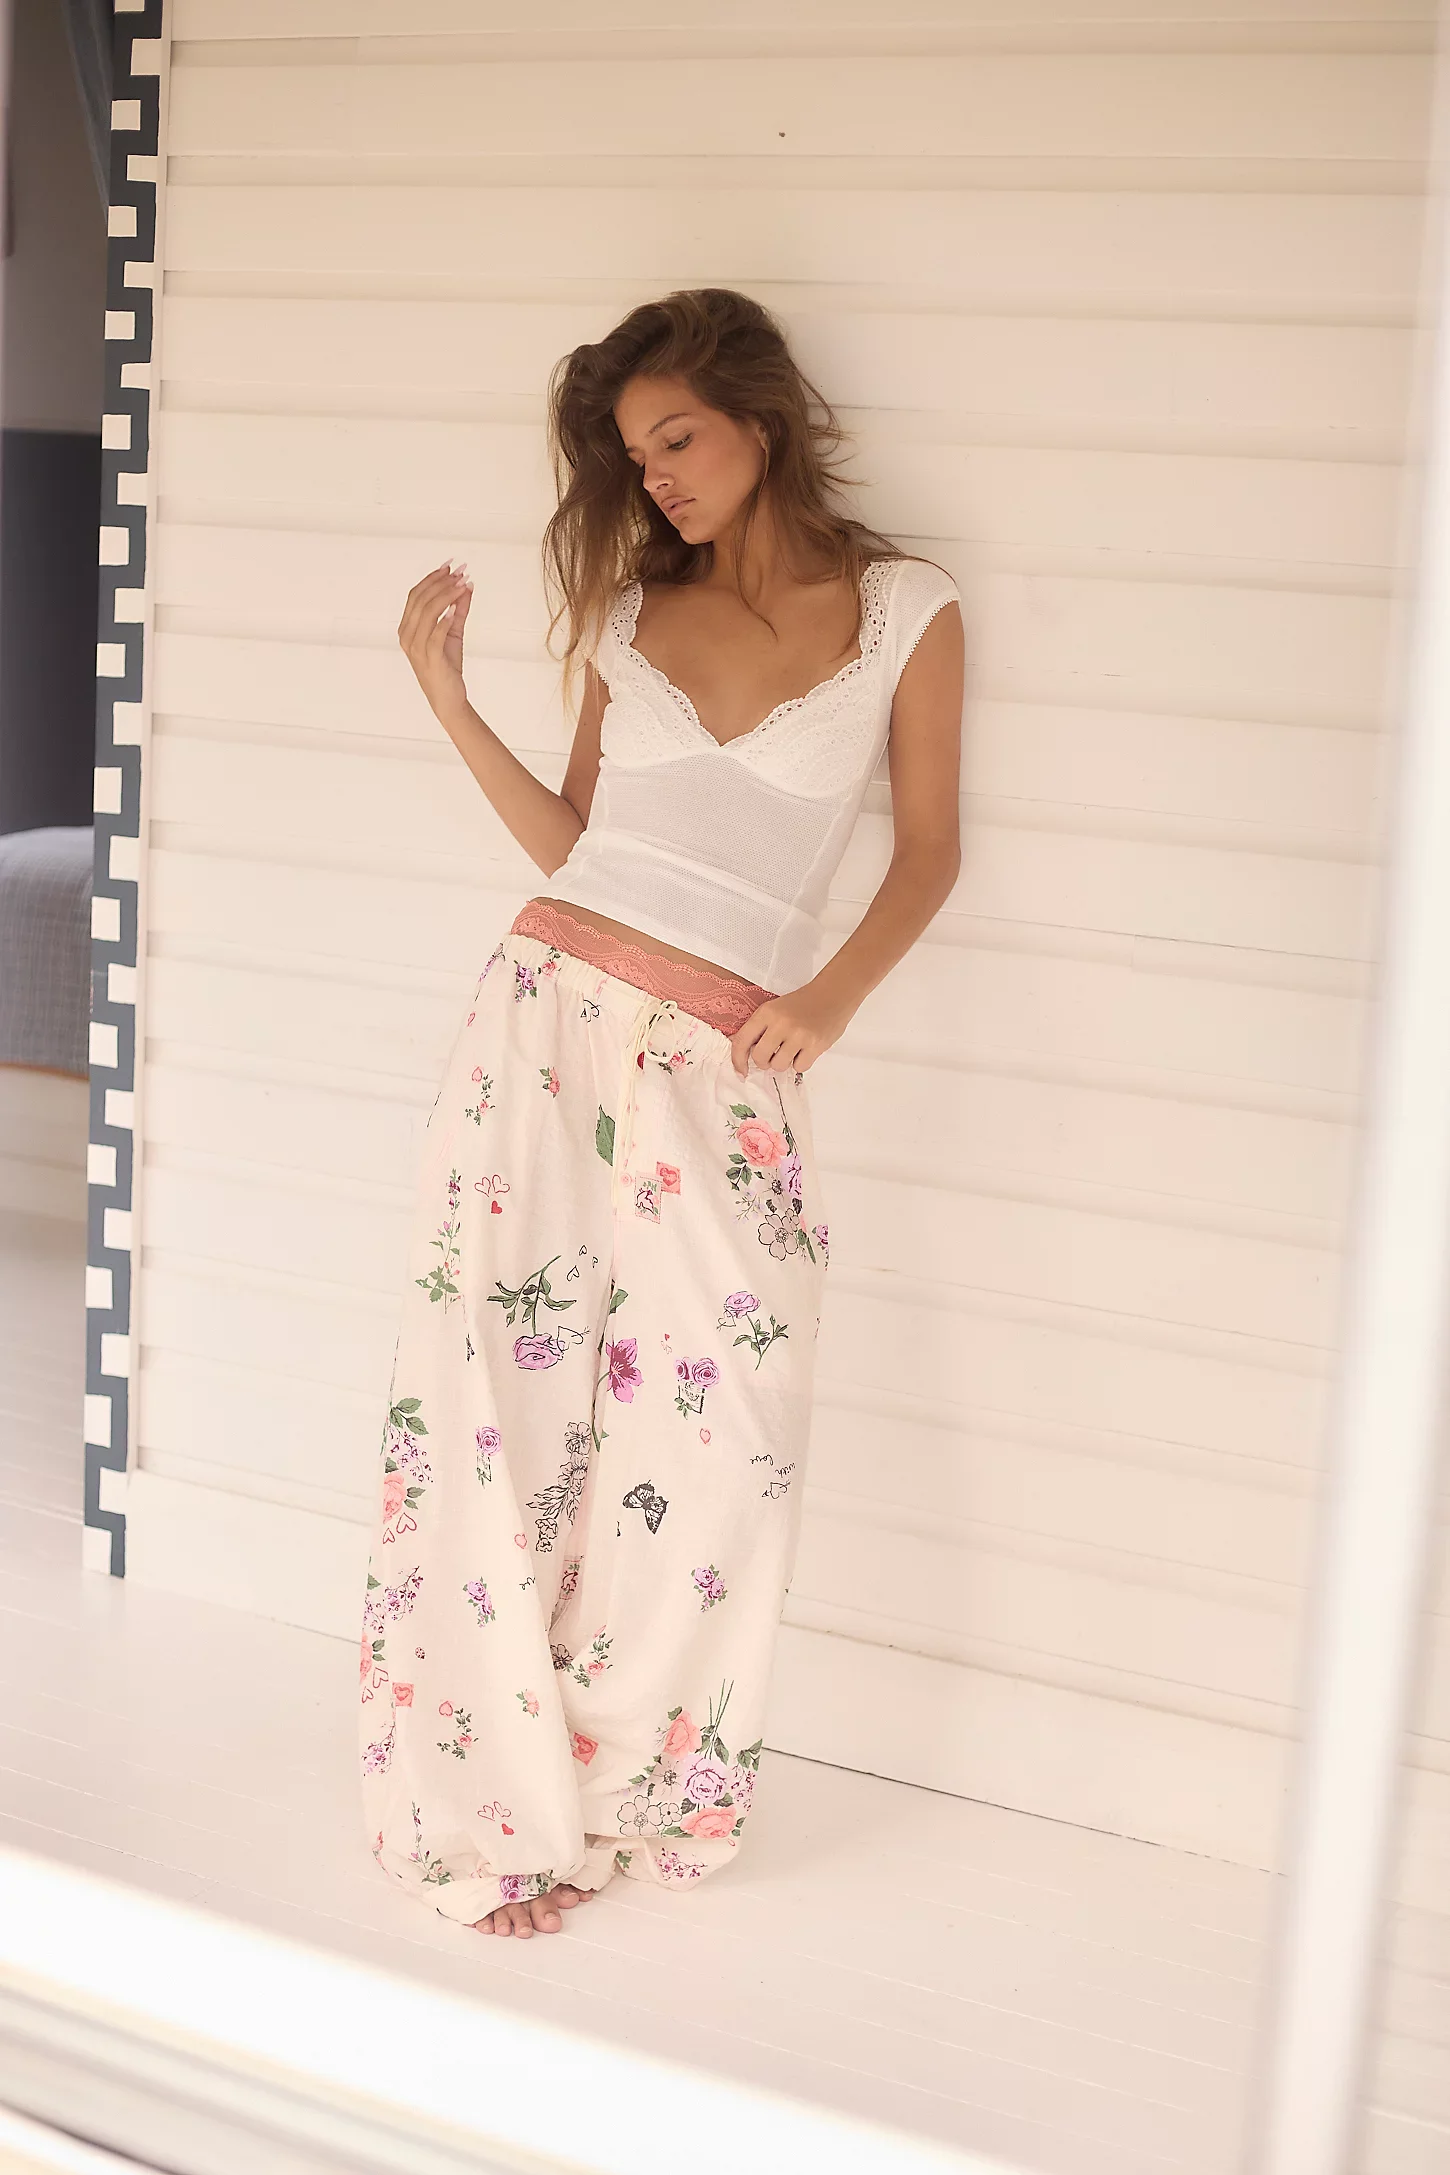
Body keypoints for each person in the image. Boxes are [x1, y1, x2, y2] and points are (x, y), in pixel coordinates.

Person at [358, 288, 964, 1939]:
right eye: (636, 456)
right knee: (494, 1406)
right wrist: (448, 700)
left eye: (677, 437)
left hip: (729, 1055)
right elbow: (577, 845)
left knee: (724, 1440)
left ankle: (628, 1788)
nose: (660, 476)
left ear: (760, 417)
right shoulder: (632, 614)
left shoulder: (905, 609)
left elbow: (927, 849)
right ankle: (484, 1812)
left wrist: (827, 1001)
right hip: (543, 1023)